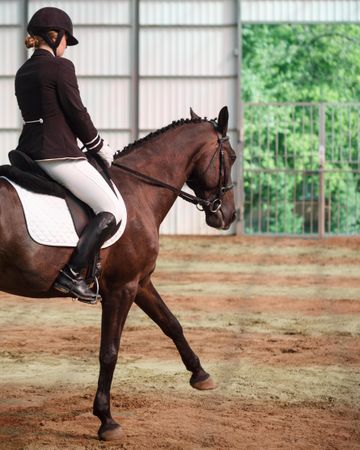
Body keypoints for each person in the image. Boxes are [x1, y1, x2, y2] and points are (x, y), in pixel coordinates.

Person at [14, 7, 125, 304]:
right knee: (111, 209)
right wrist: (98, 146)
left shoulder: (23, 71)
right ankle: (73, 273)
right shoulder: (61, 67)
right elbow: (76, 111)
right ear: (57, 36)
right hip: (58, 155)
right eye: (66, 39)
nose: (66, 46)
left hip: (28, 154)